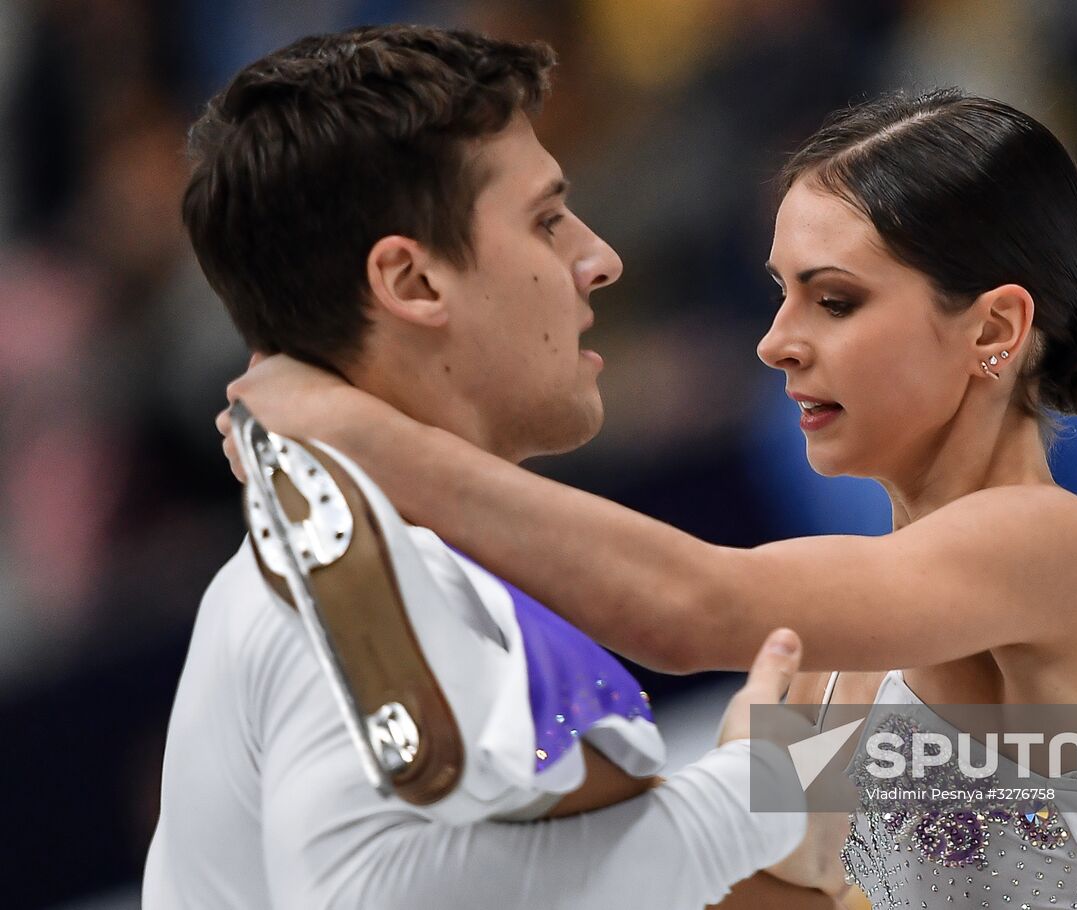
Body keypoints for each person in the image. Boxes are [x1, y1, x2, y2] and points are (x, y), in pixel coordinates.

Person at [223, 88, 1077, 907]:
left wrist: (359, 434)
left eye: (832, 301)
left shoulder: (1046, 544)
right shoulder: (839, 653)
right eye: (778, 295)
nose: (776, 344)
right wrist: (735, 831)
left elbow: (687, 602)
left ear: (992, 328)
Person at [147, 24, 848, 909]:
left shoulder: (424, 570)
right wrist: (750, 802)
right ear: (412, 283)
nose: (599, 258)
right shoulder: (327, 577)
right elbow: (370, 896)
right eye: (547, 219)